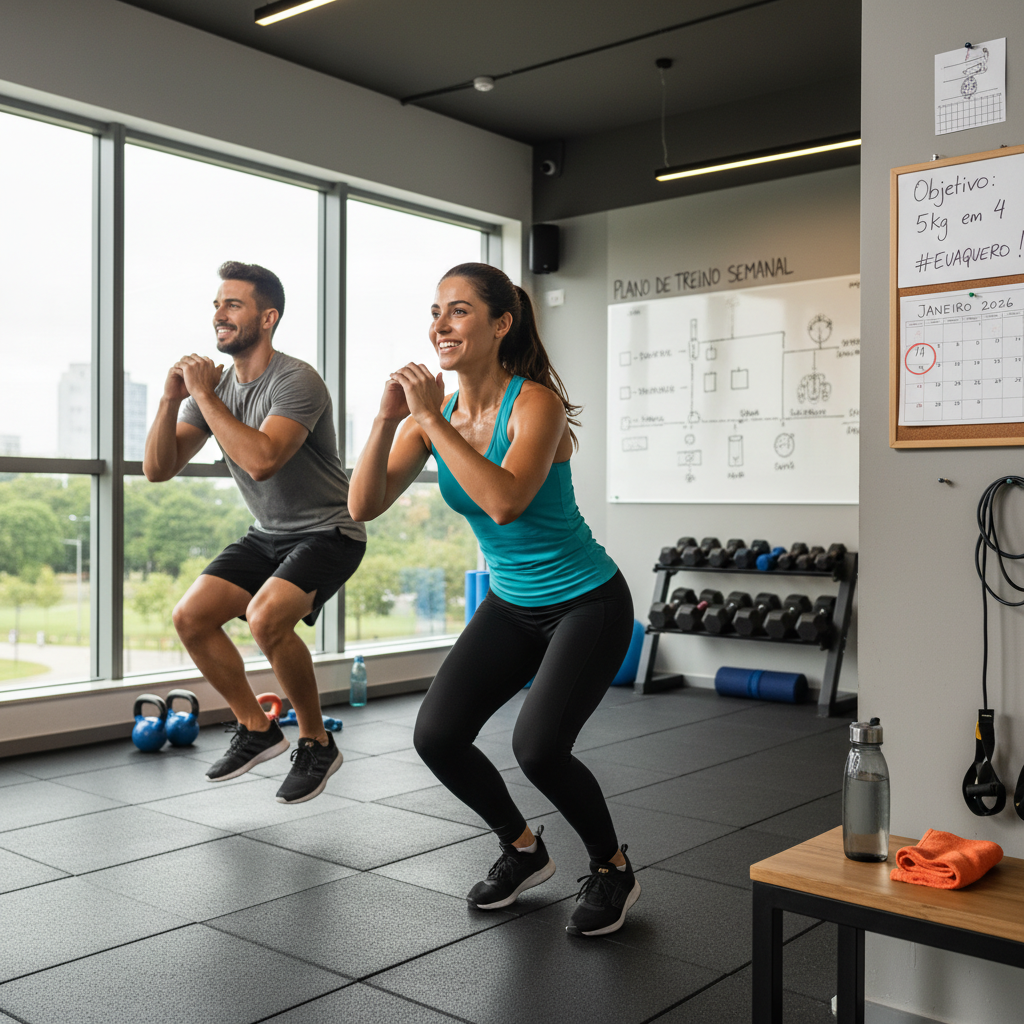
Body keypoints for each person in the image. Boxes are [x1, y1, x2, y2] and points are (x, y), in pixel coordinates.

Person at [348, 263, 639, 937]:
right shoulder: (433, 419)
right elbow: (362, 504)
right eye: (435, 312)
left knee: (538, 748)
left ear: (500, 324)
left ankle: (613, 868)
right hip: (513, 603)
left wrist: (426, 417)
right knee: (438, 736)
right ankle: (521, 847)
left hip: (585, 601)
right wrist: (390, 420)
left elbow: (505, 502)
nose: (439, 326)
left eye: (458, 311)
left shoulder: (534, 403)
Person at [143, 261, 366, 804]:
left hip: (330, 530)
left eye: (233, 305)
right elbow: (157, 467)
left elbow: (263, 459)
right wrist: (174, 397)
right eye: (217, 304)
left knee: (266, 618)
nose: (219, 314)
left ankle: (316, 743)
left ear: (268, 318)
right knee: (191, 617)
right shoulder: (212, 391)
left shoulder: (296, 380)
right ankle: (258, 727)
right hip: (269, 533)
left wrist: (206, 395)